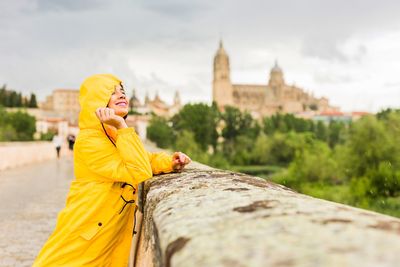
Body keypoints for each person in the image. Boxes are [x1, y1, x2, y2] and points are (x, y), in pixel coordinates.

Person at [33, 74, 191, 266]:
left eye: (122, 92)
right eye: (112, 92)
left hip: (103, 238)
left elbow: (145, 158)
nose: (121, 96)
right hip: (83, 242)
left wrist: (169, 162)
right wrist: (123, 126)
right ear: (97, 101)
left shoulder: (114, 136)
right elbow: (139, 172)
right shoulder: (89, 141)